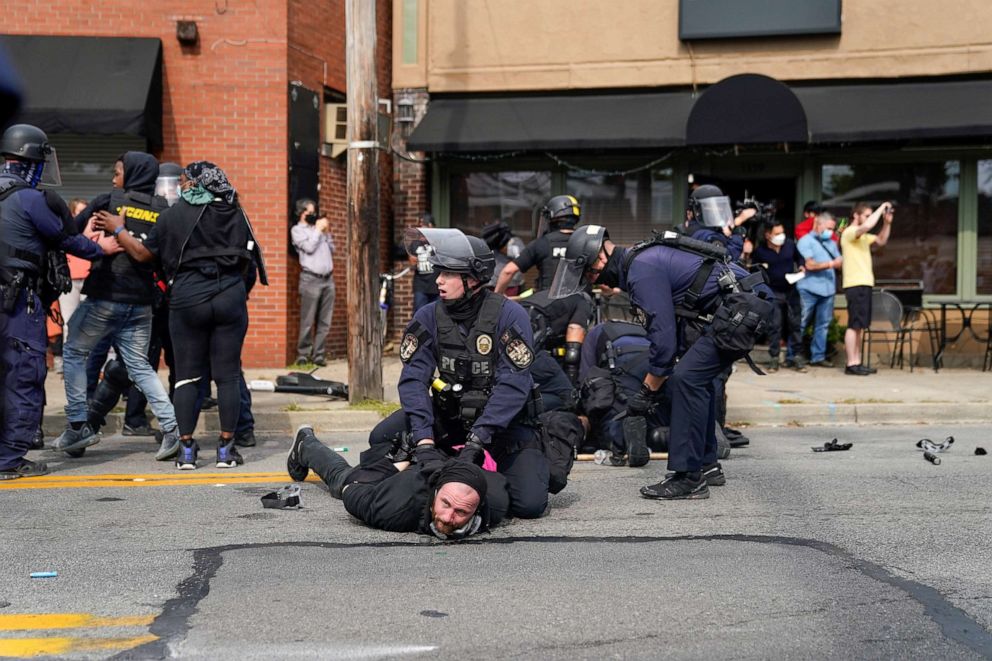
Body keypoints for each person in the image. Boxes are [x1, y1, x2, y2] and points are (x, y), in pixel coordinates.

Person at [550, 224, 772, 500]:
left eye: (590, 274)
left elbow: (663, 345)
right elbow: (674, 328)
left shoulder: (640, 271)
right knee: (694, 379)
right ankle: (707, 465)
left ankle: (688, 477)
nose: (594, 281)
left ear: (600, 259)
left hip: (743, 308)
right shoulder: (640, 260)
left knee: (685, 380)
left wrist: (645, 393)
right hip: (744, 304)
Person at [93, 161, 268, 470]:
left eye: (184, 180)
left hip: (187, 300)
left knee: (187, 376)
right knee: (227, 375)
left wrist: (119, 229)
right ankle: (226, 449)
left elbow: (144, 255)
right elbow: (248, 261)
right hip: (230, 297)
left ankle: (186, 450)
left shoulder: (172, 216)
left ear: (193, 184)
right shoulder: (235, 212)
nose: (180, 185)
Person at [368, 227, 550, 519]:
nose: (438, 280)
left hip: (503, 427)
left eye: (449, 273)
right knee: (381, 438)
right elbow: (414, 380)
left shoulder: (509, 315)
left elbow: (513, 386)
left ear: (474, 278)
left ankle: (476, 469)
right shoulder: (427, 316)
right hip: (452, 417)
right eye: (439, 272)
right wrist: (424, 441)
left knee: (528, 505)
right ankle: (441, 461)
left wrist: (479, 439)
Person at [54, 152, 181, 460]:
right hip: (142, 303)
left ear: (132, 174)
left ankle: (77, 426)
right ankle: (173, 429)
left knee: (73, 352)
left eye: (118, 172)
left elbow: (68, 232)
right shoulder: (164, 210)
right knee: (140, 366)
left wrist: (97, 246)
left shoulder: (108, 200)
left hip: (106, 297)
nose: (113, 178)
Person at [0, 124, 108, 478]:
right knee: (24, 375)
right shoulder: (29, 199)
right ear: (32, 159)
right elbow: (67, 240)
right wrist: (100, 248)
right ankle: (9, 459)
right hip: (16, 303)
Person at [287, 425, 509, 538]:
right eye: (446, 504)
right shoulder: (395, 508)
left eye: (461, 512)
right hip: (399, 463)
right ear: (436, 494)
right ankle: (305, 443)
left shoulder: (495, 502)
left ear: (477, 510)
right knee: (342, 478)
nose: (447, 518)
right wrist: (398, 464)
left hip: (446, 456)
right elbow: (352, 491)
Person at [841, 201, 894, 376]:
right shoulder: (849, 232)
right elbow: (867, 225)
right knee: (854, 324)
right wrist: (881, 207)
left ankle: (857, 361)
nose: (868, 218)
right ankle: (851, 363)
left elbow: (881, 240)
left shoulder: (863, 236)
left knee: (860, 325)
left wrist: (886, 224)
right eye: (865, 215)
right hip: (854, 283)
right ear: (856, 216)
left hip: (864, 282)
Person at [494, 195, 580, 294]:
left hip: (548, 305)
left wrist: (496, 297)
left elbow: (508, 271)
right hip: (580, 303)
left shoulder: (542, 243)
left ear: (551, 216)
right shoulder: (584, 242)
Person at [752, 221, 805, 372]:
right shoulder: (761, 251)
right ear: (768, 235)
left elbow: (799, 258)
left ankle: (797, 356)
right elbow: (754, 270)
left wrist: (801, 266)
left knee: (795, 324)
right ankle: (774, 358)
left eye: (782, 232)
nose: (781, 236)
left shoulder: (789, 245)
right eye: (777, 233)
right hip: (773, 292)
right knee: (774, 325)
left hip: (791, 290)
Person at [515, 289, 594, 386]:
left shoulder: (548, 294)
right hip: (537, 326)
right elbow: (573, 349)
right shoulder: (583, 302)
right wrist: (572, 385)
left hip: (515, 318)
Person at [795, 212, 842, 368]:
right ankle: (793, 355)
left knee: (822, 325)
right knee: (801, 323)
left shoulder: (831, 243)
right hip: (808, 289)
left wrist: (836, 263)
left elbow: (840, 262)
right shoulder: (805, 241)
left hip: (828, 290)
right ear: (818, 223)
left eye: (833, 229)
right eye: (829, 228)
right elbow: (810, 265)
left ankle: (818, 356)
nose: (831, 232)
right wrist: (830, 264)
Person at [291, 198, 334, 366]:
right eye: (310, 212)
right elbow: (308, 248)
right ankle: (303, 354)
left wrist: (327, 232)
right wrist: (317, 230)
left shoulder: (320, 230)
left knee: (325, 321)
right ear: (302, 213)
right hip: (310, 279)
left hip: (328, 279)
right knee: (308, 320)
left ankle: (319, 355)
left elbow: (332, 249)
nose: (314, 215)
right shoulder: (297, 230)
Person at [481, 219, 525, 296]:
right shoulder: (486, 241)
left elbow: (520, 257)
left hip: (509, 286)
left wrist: (503, 246)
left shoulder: (514, 241)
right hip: (489, 284)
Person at [409, 213, 440, 311]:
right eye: (420, 226)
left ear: (431, 226)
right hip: (421, 286)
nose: (421, 229)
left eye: (424, 226)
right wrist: (413, 261)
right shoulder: (415, 244)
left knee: (436, 314)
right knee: (420, 313)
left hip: (436, 285)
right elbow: (412, 263)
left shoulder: (439, 243)